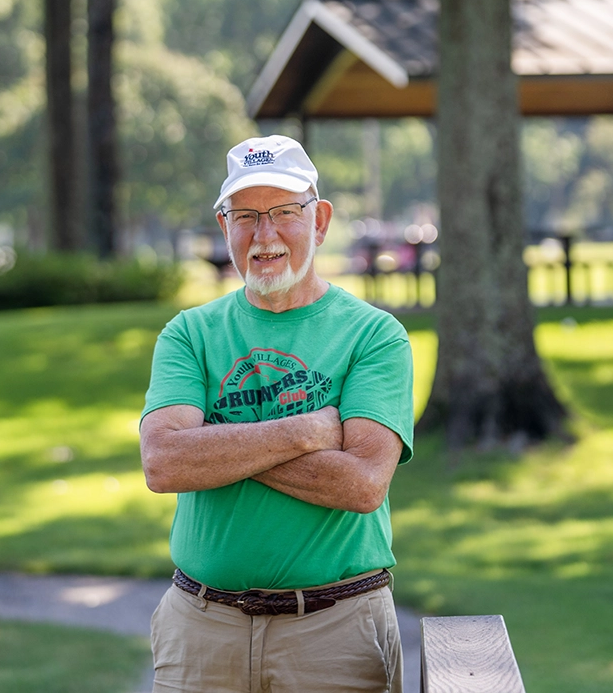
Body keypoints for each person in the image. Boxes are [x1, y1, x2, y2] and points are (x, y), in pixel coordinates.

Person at [140, 134, 414, 693]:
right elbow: (164, 463)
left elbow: (362, 483)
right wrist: (307, 432)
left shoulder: (375, 336)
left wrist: (215, 443)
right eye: (245, 216)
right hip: (201, 634)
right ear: (225, 228)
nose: (264, 235)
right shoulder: (189, 334)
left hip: (335, 633)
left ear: (320, 221)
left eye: (285, 212)